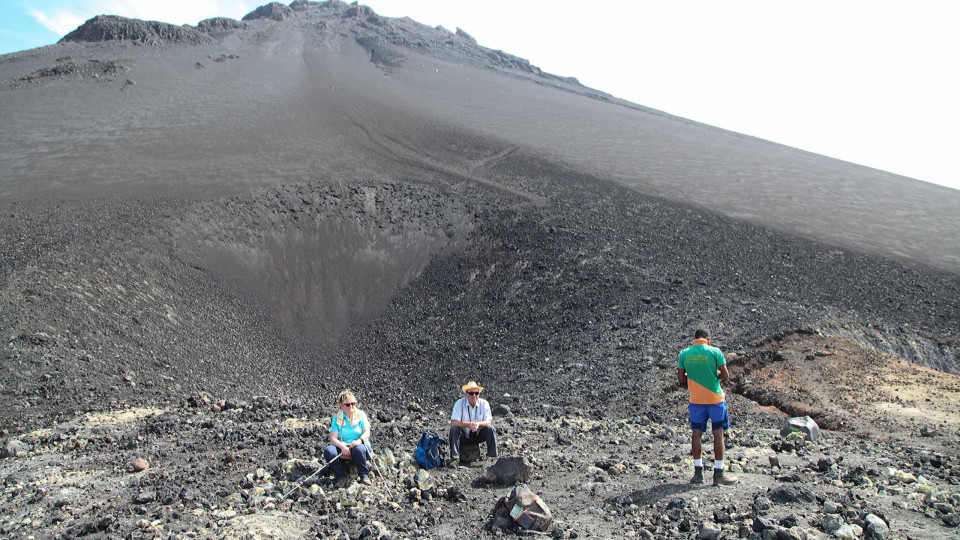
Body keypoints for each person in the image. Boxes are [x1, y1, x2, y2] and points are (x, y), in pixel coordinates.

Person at [678, 329, 738, 486]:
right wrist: (713, 375)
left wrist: (694, 376)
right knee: (718, 434)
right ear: (708, 340)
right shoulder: (715, 351)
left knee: (696, 434)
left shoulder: (684, 353)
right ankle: (719, 474)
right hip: (715, 399)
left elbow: (680, 378)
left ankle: (698, 474)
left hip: (696, 400)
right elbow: (726, 375)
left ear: (694, 339)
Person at [323, 390, 373, 488]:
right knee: (329, 451)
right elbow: (333, 438)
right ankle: (342, 475)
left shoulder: (360, 415)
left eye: (353, 404)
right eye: (348, 404)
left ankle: (363, 474)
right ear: (341, 406)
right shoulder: (337, 418)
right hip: (344, 446)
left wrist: (359, 441)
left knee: (359, 450)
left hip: (359, 445)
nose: (351, 406)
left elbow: (367, 432)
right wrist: (342, 446)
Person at [448, 381, 498, 467]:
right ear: (466, 394)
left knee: (490, 428)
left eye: (476, 393)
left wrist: (478, 424)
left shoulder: (484, 403)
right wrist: (468, 425)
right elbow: (454, 422)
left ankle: (492, 458)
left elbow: (489, 421)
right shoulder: (459, 404)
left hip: (478, 434)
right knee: (454, 429)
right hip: (463, 435)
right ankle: (454, 459)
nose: (474, 395)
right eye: (471, 393)